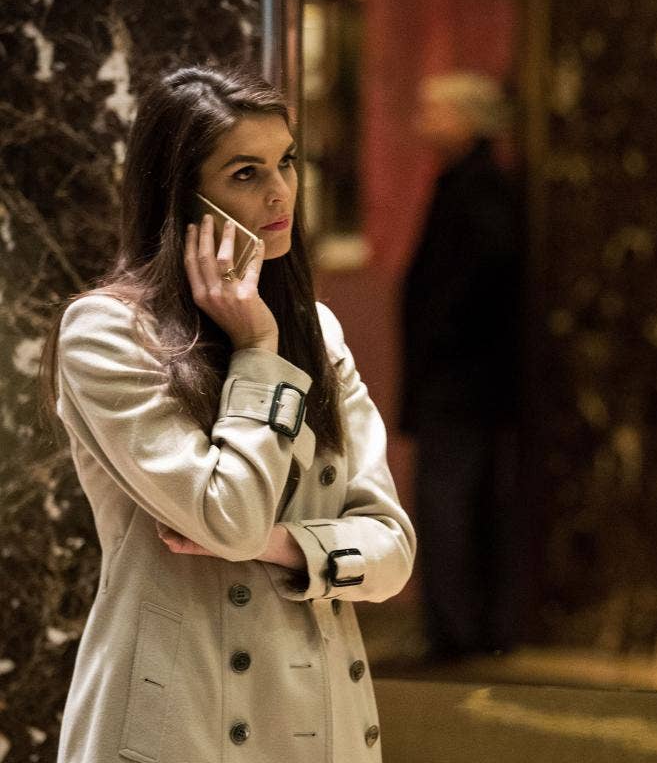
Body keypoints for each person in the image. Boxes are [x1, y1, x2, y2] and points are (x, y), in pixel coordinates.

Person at [44, 66, 416, 762]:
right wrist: (256, 348)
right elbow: (228, 517)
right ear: (181, 196)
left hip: (318, 721)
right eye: (245, 173)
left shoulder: (319, 332)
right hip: (176, 719)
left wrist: (282, 546)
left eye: (286, 162)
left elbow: (392, 552)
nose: (280, 192)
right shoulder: (106, 333)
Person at [398, 72, 524, 661]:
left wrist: (441, 339)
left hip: (460, 381)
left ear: (469, 120)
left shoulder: (478, 189)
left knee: (450, 502)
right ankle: (459, 626)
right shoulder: (468, 183)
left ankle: (456, 630)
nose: (424, 124)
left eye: (437, 112)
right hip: (462, 378)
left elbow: (477, 280)